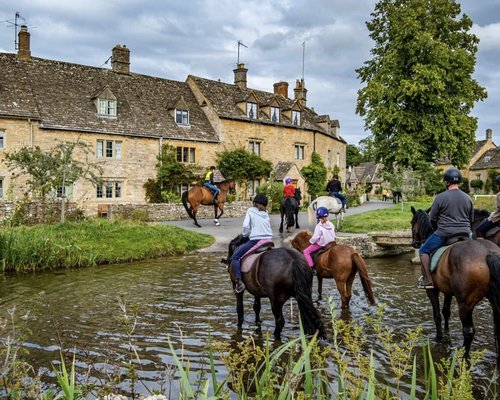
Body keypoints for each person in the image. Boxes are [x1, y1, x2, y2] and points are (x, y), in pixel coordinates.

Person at [418, 167, 473, 289]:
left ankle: (428, 280)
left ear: (446, 182)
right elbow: (471, 218)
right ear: (459, 181)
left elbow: (432, 219)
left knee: (423, 251)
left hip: (445, 233)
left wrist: (436, 228)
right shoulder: (468, 198)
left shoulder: (440, 197)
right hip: (465, 233)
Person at [230, 194, 273, 293]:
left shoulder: (250, 211)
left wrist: (245, 235)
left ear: (255, 203)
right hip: (269, 240)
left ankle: (239, 282)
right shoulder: (266, 213)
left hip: (256, 241)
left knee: (235, 257)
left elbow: (246, 226)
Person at [303, 207, 336, 273]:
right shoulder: (331, 224)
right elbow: (334, 235)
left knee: (306, 251)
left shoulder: (319, 226)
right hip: (332, 243)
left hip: (322, 244)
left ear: (318, 218)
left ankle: (311, 267)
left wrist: (310, 241)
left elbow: (315, 238)